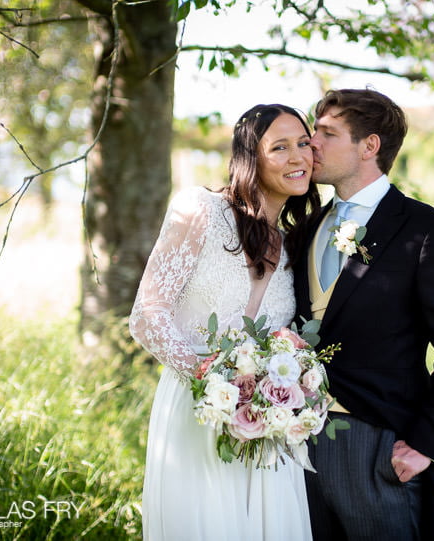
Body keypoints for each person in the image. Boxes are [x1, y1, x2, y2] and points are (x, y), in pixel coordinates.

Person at [293, 88, 434, 541]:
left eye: (326, 132)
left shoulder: (426, 230)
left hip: (378, 445)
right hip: (296, 445)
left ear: (370, 146)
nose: (310, 142)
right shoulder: (304, 229)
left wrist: (426, 444)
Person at [129, 103, 322, 540]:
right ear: (250, 159)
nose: (298, 157)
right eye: (280, 147)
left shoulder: (295, 243)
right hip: (197, 411)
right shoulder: (200, 210)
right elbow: (147, 316)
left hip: (269, 425)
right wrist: (217, 384)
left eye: (304, 143)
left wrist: (281, 390)